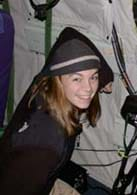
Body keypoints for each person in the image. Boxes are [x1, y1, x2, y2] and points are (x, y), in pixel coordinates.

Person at [0, 27, 114, 195]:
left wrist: (105, 75)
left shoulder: (43, 84)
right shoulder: (45, 146)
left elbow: (69, 34)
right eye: (77, 78)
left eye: (94, 77)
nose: (88, 88)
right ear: (58, 80)